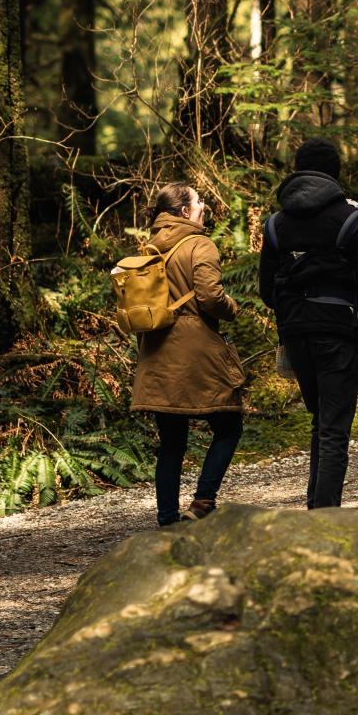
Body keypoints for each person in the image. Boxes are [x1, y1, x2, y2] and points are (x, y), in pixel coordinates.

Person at [258, 138, 358, 509]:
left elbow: (267, 292)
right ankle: (323, 517)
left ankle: (317, 507)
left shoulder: (276, 224)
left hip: (296, 335)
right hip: (337, 335)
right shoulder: (353, 220)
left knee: (321, 422)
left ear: (297, 170)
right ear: (336, 173)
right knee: (334, 428)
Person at [129, 182, 247, 526]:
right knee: (228, 425)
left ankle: (167, 519)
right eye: (199, 202)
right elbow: (210, 296)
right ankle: (203, 502)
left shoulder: (149, 247)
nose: (204, 206)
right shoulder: (200, 244)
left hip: (156, 351)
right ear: (184, 211)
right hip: (197, 351)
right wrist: (233, 308)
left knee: (171, 443)